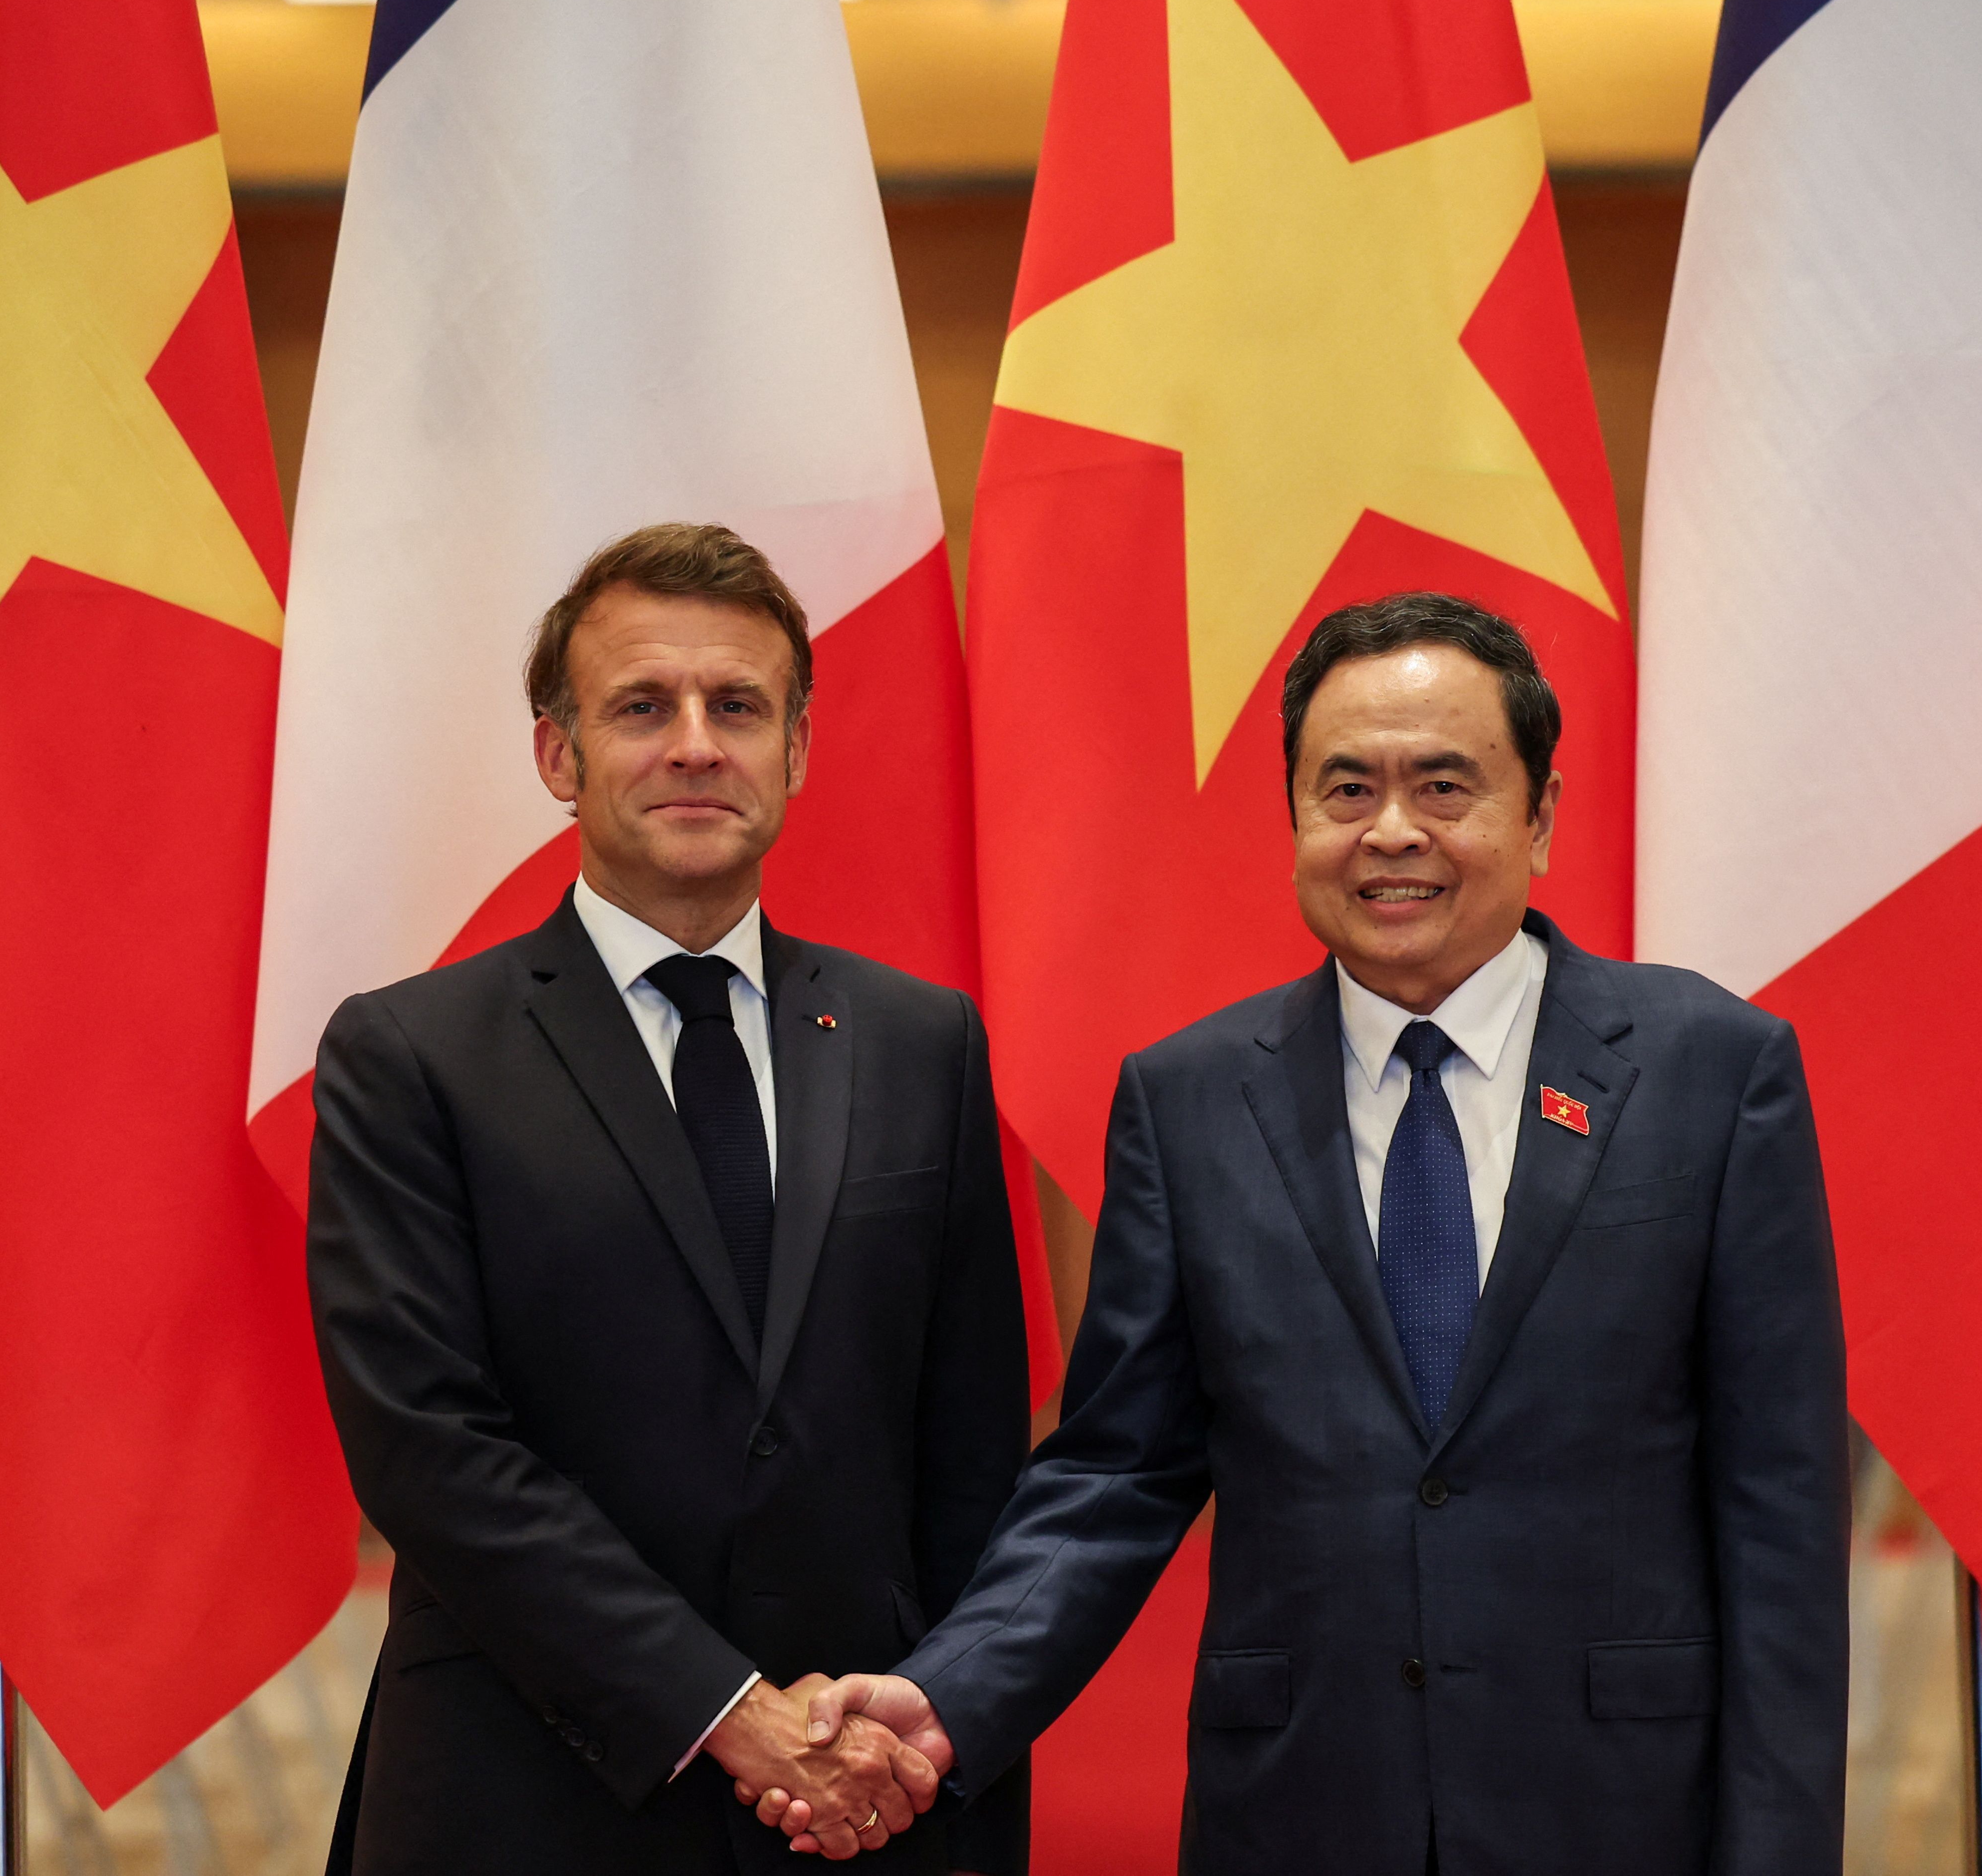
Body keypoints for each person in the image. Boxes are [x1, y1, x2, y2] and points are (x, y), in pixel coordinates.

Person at [766, 592, 1847, 1872]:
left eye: (1445, 785)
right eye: (1346, 789)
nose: (1393, 831)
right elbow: (1117, 1472)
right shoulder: (1187, 1099)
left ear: (1540, 814)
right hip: (1299, 1813)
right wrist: (945, 1696)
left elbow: (1778, 1508)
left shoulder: (1714, 1072)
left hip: (1621, 1812)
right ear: (1294, 816)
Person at [306, 523, 1032, 1876]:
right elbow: (431, 1451)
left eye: (737, 706)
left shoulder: (922, 1042)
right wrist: (730, 1713)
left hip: (858, 1800)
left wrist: (948, 1754)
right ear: (556, 755)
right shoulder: (410, 1054)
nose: (694, 743)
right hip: (525, 1791)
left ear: (796, 751)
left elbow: (970, 1459)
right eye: (642, 706)